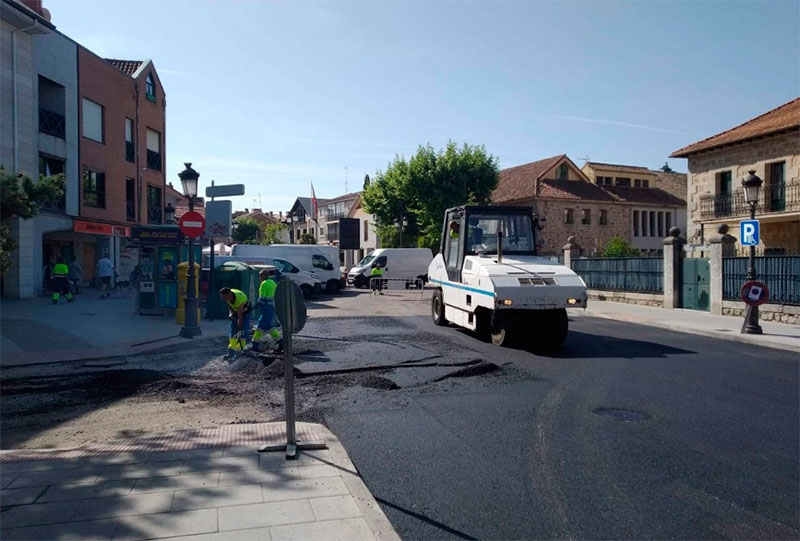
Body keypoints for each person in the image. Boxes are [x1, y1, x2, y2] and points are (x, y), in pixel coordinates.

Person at [252, 269, 283, 354]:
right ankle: (280, 341)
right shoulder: (273, 283)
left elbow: (262, 298)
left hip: (265, 308)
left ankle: (255, 344)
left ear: (263, 276)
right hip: (272, 308)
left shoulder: (264, 284)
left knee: (261, 325)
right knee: (268, 326)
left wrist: (255, 306)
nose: (259, 278)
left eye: (260, 276)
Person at [219, 287, 252, 359]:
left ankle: (239, 353)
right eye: (222, 297)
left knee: (243, 332)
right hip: (235, 311)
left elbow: (240, 317)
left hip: (245, 312)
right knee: (233, 331)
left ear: (229, 294)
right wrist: (230, 313)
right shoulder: (227, 298)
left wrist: (240, 329)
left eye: (224, 297)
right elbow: (230, 306)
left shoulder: (239, 299)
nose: (222, 299)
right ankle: (231, 352)